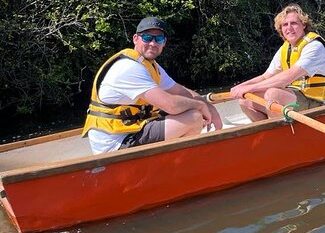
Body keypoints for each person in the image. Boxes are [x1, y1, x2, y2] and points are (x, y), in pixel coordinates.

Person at [82, 17, 222, 154]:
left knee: (189, 109)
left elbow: (181, 91)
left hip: (131, 130)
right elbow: (170, 105)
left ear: (164, 43)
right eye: (147, 38)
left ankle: (175, 165)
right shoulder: (128, 67)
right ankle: (178, 167)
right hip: (116, 144)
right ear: (135, 39)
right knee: (193, 118)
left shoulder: (150, 66)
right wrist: (200, 106)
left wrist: (208, 105)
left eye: (159, 39)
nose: (153, 43)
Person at [230, 4, 325, 121]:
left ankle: (278, 133)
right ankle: (268, 135)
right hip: (296, 97)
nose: (289, 28)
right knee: (246, 100)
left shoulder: (315, 47)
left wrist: (250, 88)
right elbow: (266, 76)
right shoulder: (285, 49)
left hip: (319, 102)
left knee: (273, 94)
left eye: (294, 23)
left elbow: (288, 77)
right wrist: (242, 87)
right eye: (285, 25)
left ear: (304, 25)